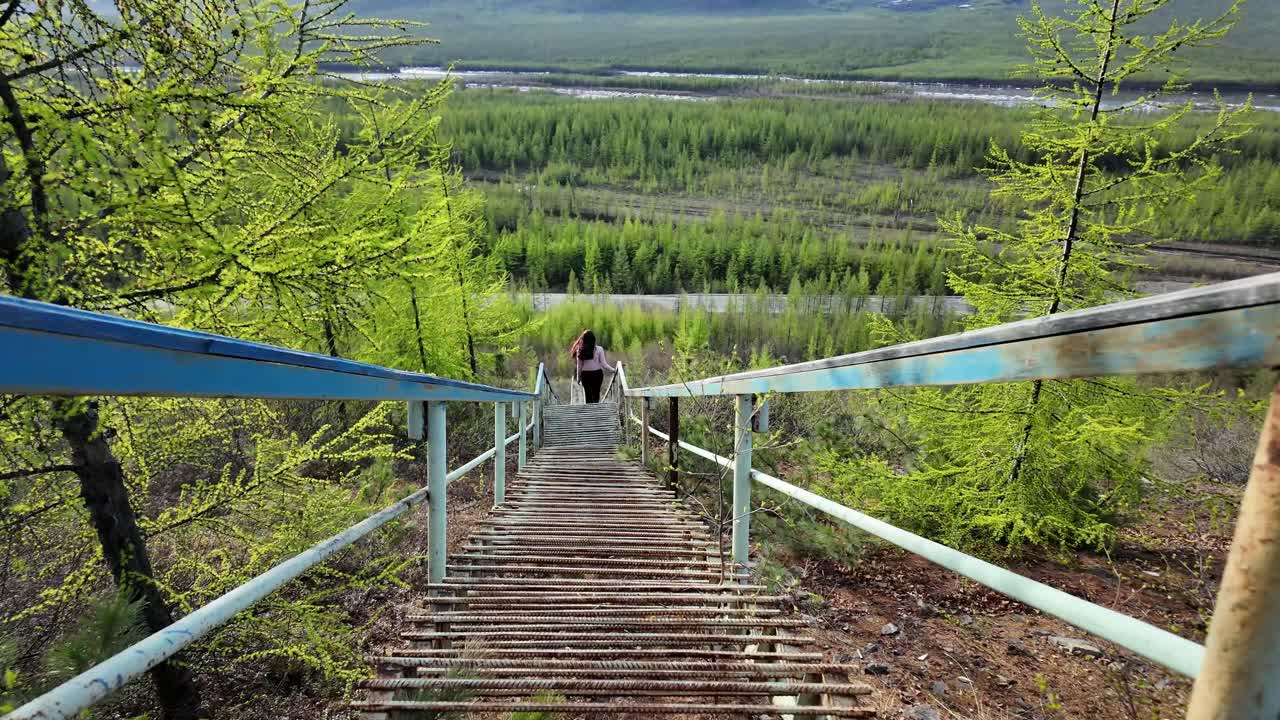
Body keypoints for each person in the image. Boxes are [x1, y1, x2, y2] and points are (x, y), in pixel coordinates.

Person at [571, 329, 615, 403]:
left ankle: (589, 412)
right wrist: (613, 370)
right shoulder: (599, 349)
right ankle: (596, 411)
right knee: (596, 395)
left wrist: (578, 378)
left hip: (586, 376)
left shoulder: (580, 350)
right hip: (597, 375)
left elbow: (579, 366)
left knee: (588, 396)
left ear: (584, 340)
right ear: (593, 339)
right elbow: (604, 364)